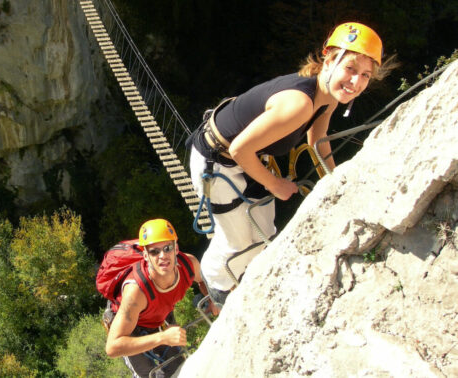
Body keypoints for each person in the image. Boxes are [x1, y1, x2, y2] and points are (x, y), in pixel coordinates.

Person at [188, 22, 397, 308]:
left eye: (365, 75)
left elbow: (318, 139)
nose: (356, 82)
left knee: (264, 234)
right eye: (350, 68)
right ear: (329, 59)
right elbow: (239, 149)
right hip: (217, 163)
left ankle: (243, 275)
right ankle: (217, 286)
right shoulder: (299, 103)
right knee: (237, 241)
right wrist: (275, 184)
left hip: (246, 158)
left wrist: (336, 180)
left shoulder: (328, 96)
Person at [105, 218, 216, 377]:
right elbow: (113, 347)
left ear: (176, 248)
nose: (162, 256)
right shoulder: (136, 291)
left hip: (159, 316)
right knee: (150, 374)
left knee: (178, 369)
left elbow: (203, 281)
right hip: (131, 329)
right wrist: (162, 337)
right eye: (154, 252)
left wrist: (212, 298)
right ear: (145, 255)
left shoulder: (189, 265)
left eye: (167, 248)